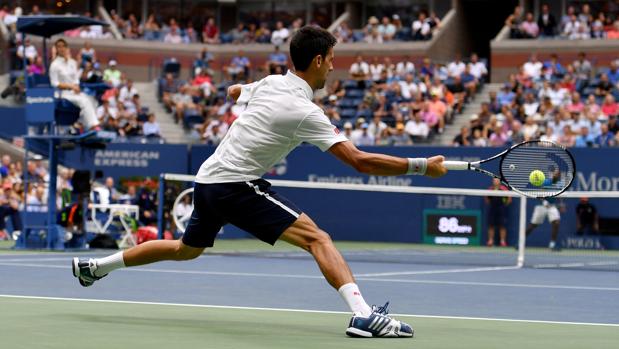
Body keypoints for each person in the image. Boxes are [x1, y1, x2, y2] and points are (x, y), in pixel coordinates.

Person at [72, 26, 447, 338]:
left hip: (208, 180)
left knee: (186, 249)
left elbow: (237, 92)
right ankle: (363, 315)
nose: (333, 69)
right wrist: (421, 166)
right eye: (331, 61)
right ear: (317, 61)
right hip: (236, 184)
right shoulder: (305, 111)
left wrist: (239, 91)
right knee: (318, 238)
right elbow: (360, 161)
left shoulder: (269, 83)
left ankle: (97, 267)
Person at [49, 39, 100, 131]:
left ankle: (79, 123)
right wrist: (71, 86)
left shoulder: (72, 62)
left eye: (63, 46)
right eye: (59, 46)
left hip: (74, 92)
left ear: (67, 48)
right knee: (85, 101)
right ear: (56, 49)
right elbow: (54, 83)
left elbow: (76, 78)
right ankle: (93, 127)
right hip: (62, 94)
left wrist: (76, 86)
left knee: (93, 101)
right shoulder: (54, 65)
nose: (61, 49)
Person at [485, 178, 511, 247]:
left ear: (500, 181)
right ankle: (490, 241)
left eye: (497, 180)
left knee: (502, 226)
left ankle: (502, 241)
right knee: (491, 226)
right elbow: (487, 198)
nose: (495, 181)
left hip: (501, 209)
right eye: (494, 180)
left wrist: (504, 206)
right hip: (492, 209)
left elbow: (509, 198)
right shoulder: (490, 189)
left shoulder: (504, 189)